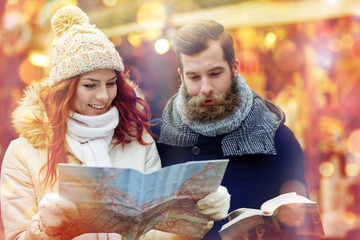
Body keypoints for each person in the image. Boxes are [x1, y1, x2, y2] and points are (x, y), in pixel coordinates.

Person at [1, 7, 229, 240]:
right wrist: (45, 228)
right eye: (90, 85)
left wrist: (196, 215)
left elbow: (152, 231)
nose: (103, 95)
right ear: (64, 90)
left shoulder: (137, 140)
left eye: (110, 83)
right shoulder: (23, 153)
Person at [150, 20, 309, 239]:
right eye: (194, 77)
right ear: (181, 75)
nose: (206, 88)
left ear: (235, 67)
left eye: (215, 74)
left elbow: (300, 227)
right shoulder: (158, 139)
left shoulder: (277, 138)